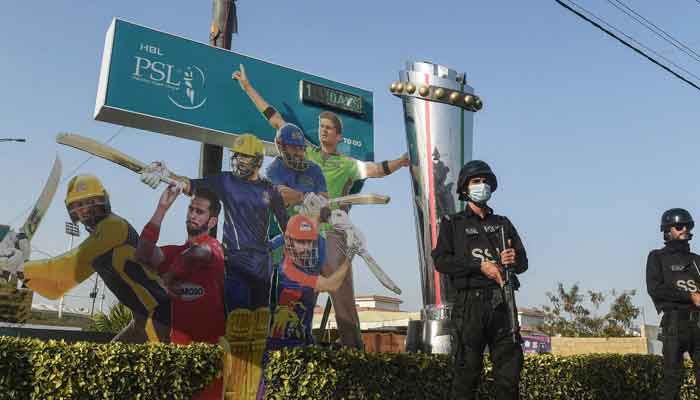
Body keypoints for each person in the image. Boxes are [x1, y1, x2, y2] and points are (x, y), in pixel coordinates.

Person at [233, 64, 408, 348]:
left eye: (329, 128)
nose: (323, 131)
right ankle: (295, 349)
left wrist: (401, 163)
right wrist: (248, 87)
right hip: (301, 234)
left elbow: (375, 169)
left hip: (332, 234)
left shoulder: (348, 165)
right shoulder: (307, 152)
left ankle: (353, 352)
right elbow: (276, 120)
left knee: (341, 296)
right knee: (296, 293)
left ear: (339, 136)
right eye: (321, 127)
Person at [139, 134, 289, 320]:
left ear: (257, 160)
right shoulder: (226, 182)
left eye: (244, 156)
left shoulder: (270, 189)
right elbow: (190, 185)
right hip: (235, 261)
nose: (238, 160)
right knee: (237, 319)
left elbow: (287, 227)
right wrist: (167, 174)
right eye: (237, 156)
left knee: (260, 321)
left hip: (262, 265)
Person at [19, 174, 170, 343]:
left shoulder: (113, 226)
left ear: (103, 200)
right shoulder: (98, 243)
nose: (84, 209)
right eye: (78, 204)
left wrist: (22, 266)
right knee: (103, 362)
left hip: (161, 316)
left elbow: (67, 265)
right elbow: (56, 289)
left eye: (90, 201)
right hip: (142, 321)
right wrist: (20, 273)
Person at [432, 160, 527, 400]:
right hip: (470, 307)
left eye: (485, 181)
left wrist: (512, 258)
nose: (482, 185)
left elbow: (524, 263)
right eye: (476, 181)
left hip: (503, 306)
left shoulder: (503, 224)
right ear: (465, 188)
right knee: (466, 376)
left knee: (509, 377)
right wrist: (479, 266)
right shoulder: (452, 224)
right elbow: (441, 261)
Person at [136, 185, 225, 400]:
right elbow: (143, 253)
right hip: (178, 359)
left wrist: (166, 279)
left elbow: (195, 254)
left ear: (212, 222)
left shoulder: (214, 248)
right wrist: (162, 209)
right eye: (191, 209)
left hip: (208, 361)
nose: (193, 214)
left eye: (200, 212)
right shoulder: (174, 252)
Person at [257, 214, 354, 399]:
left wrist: (327, 217)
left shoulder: (297, 253)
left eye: (309, 242)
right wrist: (350, 254)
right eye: (302, 243)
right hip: (276, 349)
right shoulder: (288, 270)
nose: (307, 248)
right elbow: (331, 285)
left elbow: (310, 232)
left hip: (301, 345)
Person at [647, 208, 700, 400]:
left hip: (698, 324)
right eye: (679, 226)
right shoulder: (657, 257)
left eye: (687, 225)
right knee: (671, 381)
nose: (684, 228)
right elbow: (656, 290)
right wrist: (690, 297)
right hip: (673, 325)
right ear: (667, 230)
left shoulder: (696, 261)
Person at [265, 122, 328, 263]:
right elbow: (280, 194)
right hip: (283, 231)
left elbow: (324, 199)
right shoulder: (273, 169)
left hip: (311, 231)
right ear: (281, 146)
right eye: (294, 147)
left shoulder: (314, 170)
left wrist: (319, 206)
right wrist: (304, 197)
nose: (299, 153)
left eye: (301, 148)